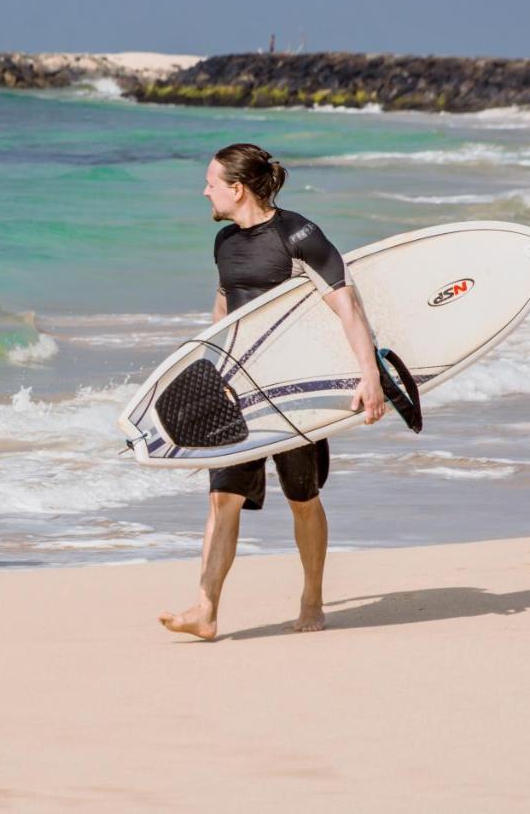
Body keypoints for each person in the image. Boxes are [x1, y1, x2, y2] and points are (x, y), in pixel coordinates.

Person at [158, 144, 386, 639]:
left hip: (291, 392)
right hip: (240, 391)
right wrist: (214, 373)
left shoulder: (298, 234)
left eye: (211, 183)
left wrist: (369, 376)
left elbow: (348, 307)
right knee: (223, 497)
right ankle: (205, 609)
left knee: (302, 498)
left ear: (236, 189)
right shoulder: (223, 242)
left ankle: (312, 597)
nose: (205, 191)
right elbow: (224, 310)